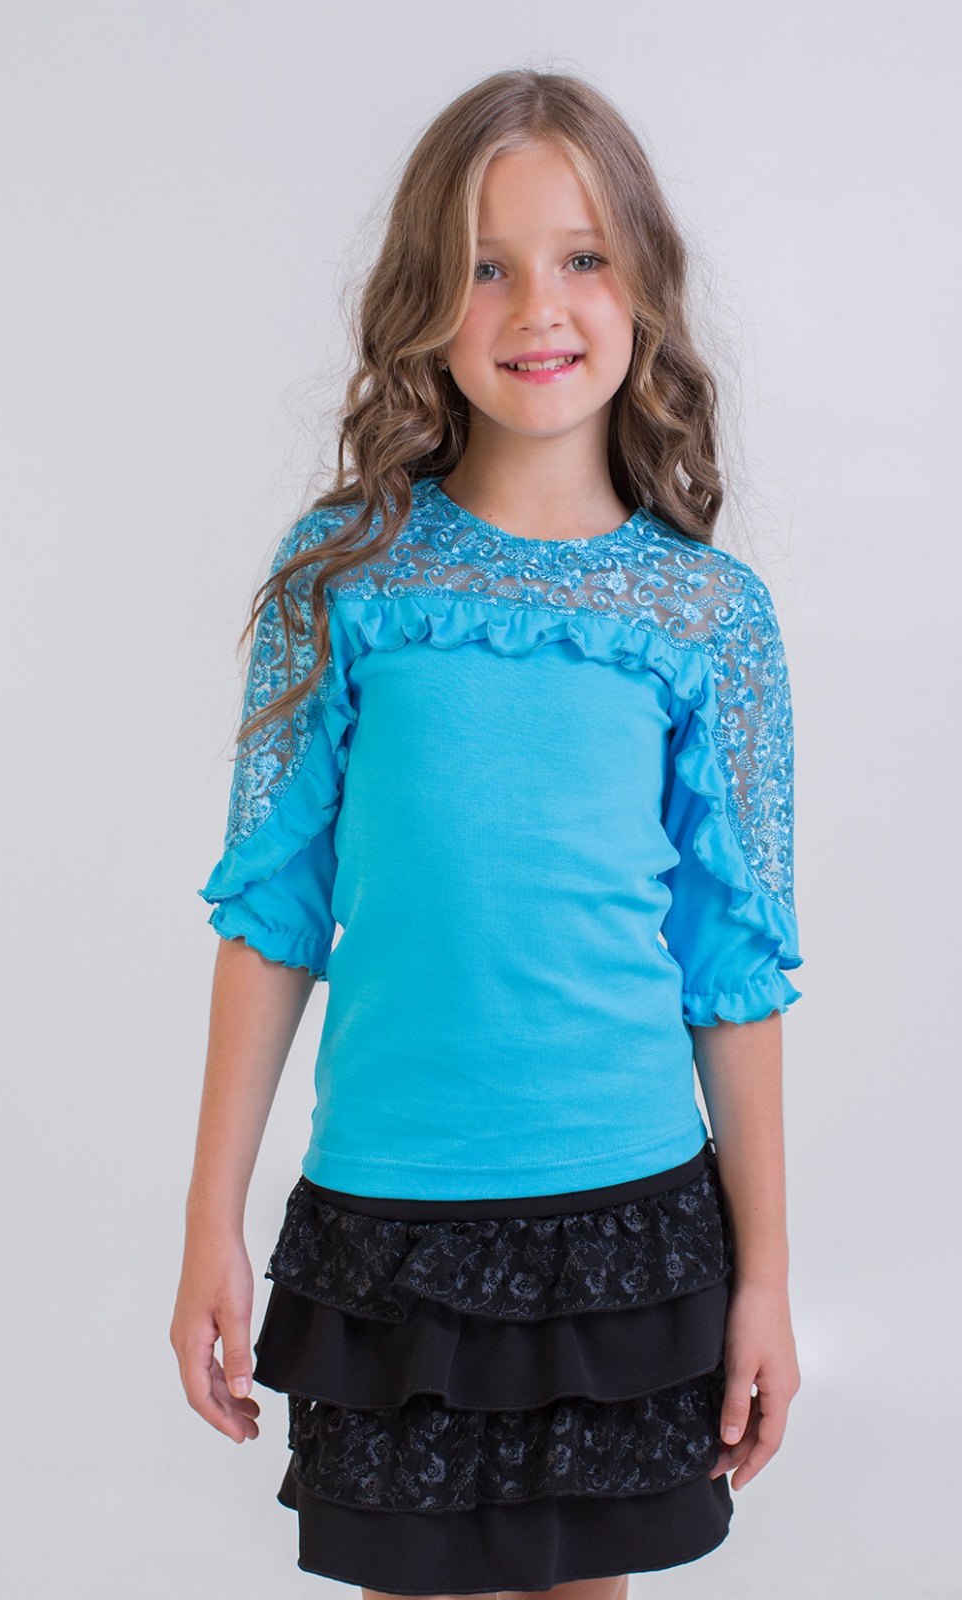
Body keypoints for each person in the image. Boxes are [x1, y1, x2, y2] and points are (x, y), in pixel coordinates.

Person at [170, 67, 804, 1600]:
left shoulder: (708, 616)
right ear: (423, 301)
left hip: (629, 1224)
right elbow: (271, 914)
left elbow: (733, 970)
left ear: (641, 285)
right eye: (485, 266)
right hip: (393, 1222)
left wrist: (767, 1280)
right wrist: (209, 1224)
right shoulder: (340, 577)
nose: (539, 306)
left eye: (580, 257)